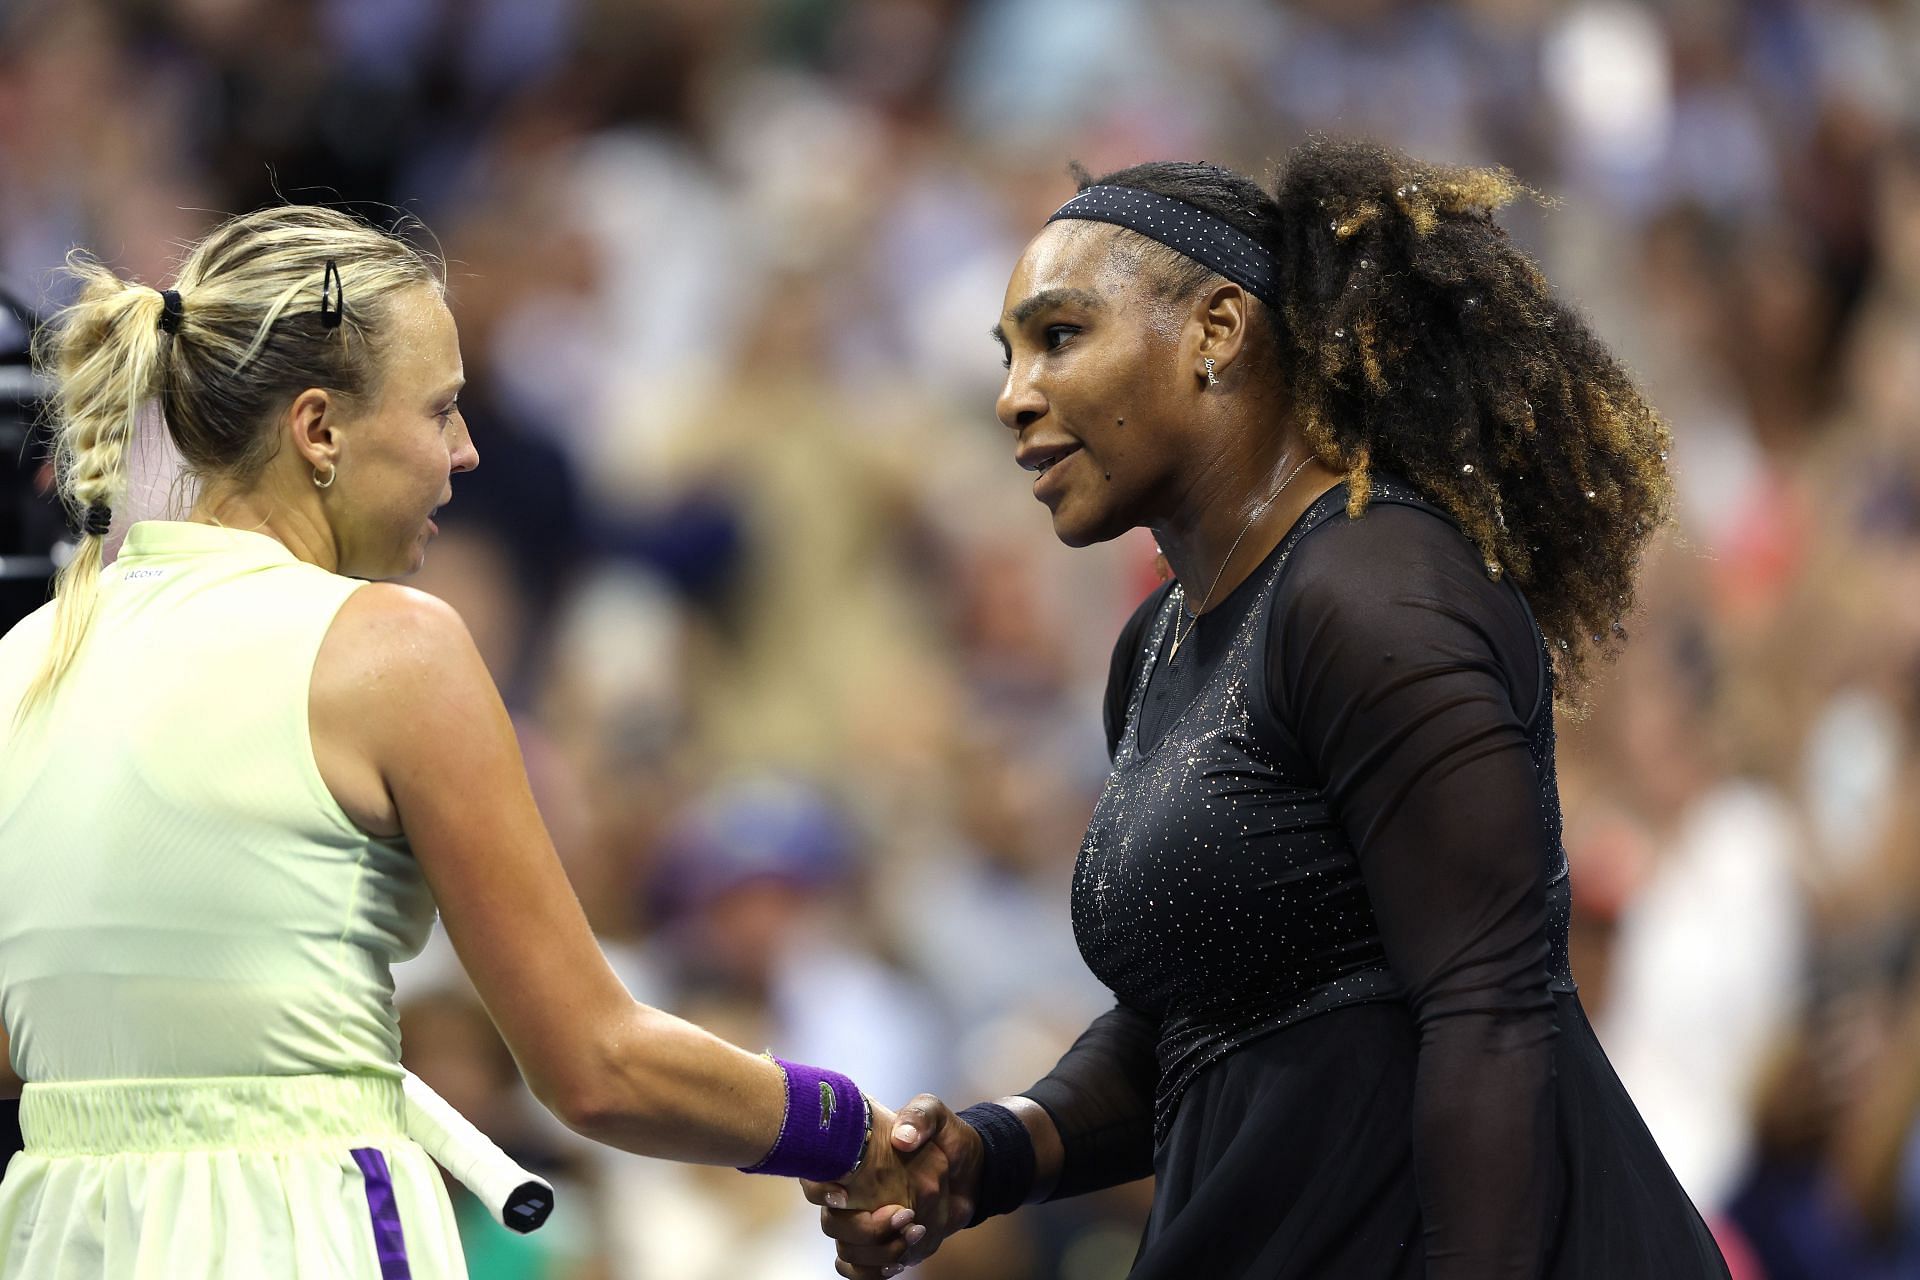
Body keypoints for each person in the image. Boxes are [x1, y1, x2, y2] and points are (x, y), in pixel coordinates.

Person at [810, 142, 1734, 1278]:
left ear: (1217, 329)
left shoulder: (1372, 586)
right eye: (1006, 356)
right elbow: (1201, 1028)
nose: (1014, 395)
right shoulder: (1155, 647)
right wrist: (991, 1152)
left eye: (1059, 335)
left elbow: (1494, 1007)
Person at [0, 206, 927, 1279]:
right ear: (319, 430)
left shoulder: (26, 657)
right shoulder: (395, 649)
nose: (466, 449)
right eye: (441, 408)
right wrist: (853, 1130)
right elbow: (598, 1063)